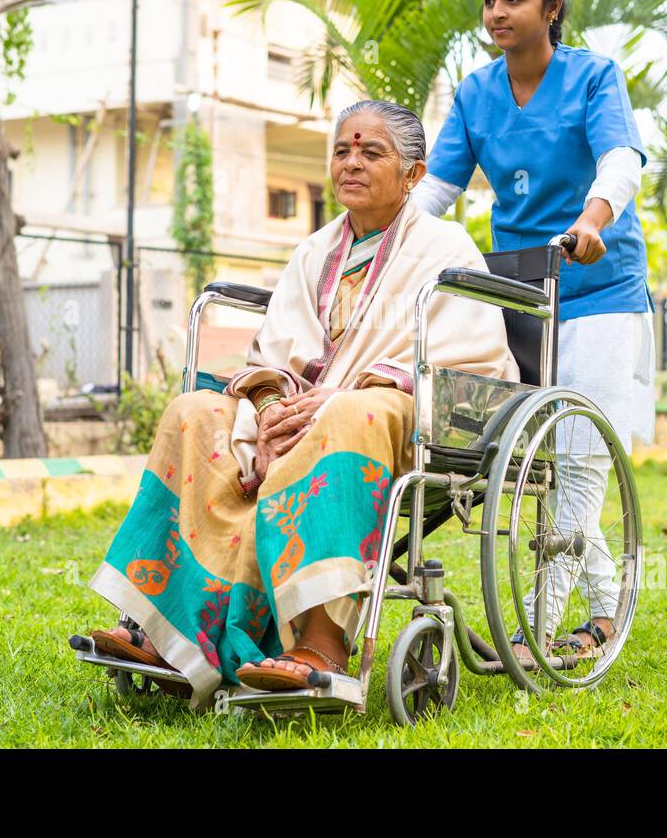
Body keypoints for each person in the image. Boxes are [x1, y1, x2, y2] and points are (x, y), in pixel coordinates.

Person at [84, 100, 518, 707]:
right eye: (343, 150)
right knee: (193, 411)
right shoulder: (314, 250)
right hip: (298, 405)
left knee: (345, 415)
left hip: (394, 408)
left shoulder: (446, 249)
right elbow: (273, 354)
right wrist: (267, 410)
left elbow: (468, 355)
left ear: (414, 174)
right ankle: (173, 635)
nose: (352, 163)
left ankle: (321, 645)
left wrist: (341, 394)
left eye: (372, 152)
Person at [410, 0, 655, 662]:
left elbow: (621, 159)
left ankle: (536, 629)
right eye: (489, 0)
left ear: (551, 8)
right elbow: (434, 192)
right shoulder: (476, 93)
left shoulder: (593, 77)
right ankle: (607, 611)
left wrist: (592, 220)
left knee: (578, 457)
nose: (496, 13)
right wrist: (385, 242)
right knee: (545, 459)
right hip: (517, 291)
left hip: (599, 286)